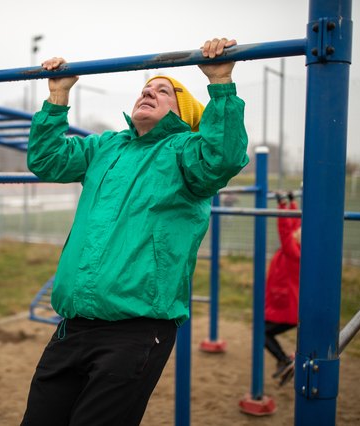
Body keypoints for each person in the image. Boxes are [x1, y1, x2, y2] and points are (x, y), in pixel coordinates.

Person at [21, 37, 249, 426]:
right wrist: (58, 96)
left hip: (135, 330)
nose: (150, 92)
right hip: (74, 324)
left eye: (165, 91)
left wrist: (221, 84)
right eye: (146, 88)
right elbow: (47, 161)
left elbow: (222, 157)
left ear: (185, 114)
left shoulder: (186, 152)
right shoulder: (106, 147)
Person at [264, 191, 301, 386]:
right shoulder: (299, 249)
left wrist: (281, 205)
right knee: (264, 330)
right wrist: (292, 204)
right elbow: (294, 225)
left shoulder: (293, 252)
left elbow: (285, 231)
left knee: (262, 332)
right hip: (290, 306)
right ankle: (285, 361)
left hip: (287, 308)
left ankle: (285, 360)